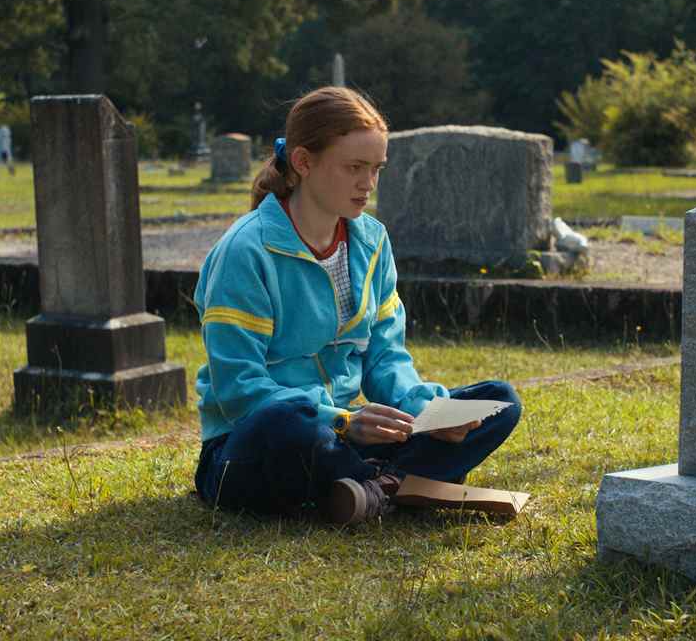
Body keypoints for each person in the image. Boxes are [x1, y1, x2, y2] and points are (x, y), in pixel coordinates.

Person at [192, 86, 522, 525]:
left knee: (499, 401)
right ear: (304, 162)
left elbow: (386, 355)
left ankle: (369, 489)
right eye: (354, 168)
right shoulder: (246, 251)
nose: (367, 184)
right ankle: (399, 484)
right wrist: (343, 421)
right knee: (293, 427)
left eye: (376, 169)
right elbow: (239, 391)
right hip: (254, 443)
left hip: (346, 441)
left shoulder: (371, 240)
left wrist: (425, 410)